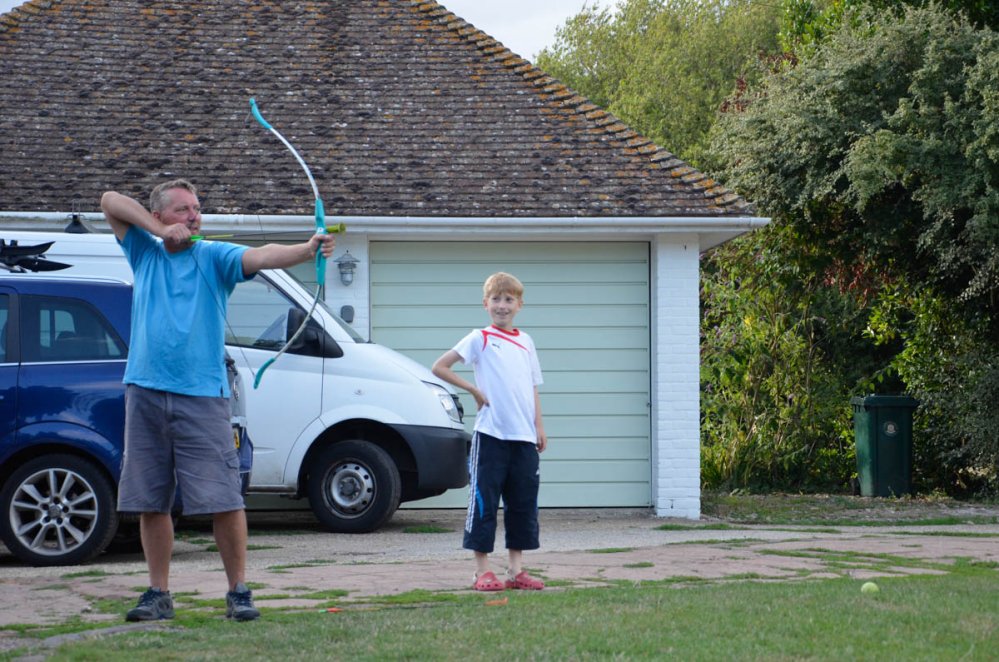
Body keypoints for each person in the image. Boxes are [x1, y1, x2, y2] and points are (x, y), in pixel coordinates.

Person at [100, 179, 335, 622]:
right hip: (145, 391)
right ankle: (157, 594)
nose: (194, 216)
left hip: (203, 395)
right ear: (160, 215)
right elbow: (110, 201)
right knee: (151, 500)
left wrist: (307, 250)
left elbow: (261, 255)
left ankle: (238, 592)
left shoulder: (214, 256)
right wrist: (158, 231)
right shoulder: (145, 253)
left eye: (197, 208)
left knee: (224, 498)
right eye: (183, 210)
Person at [431, 272, 548, 592]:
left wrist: (538, 426)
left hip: (523, 439)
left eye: (509, 299)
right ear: (486, 303)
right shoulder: (479, 338)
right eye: (496, 299)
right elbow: (440, 366)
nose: (502, 305)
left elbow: (532, 387)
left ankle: (516, 570)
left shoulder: (526, 342)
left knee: (522, 504)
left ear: (519, 305)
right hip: (491, 436)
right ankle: (481, 571)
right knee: (485, 503)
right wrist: (472, 389)